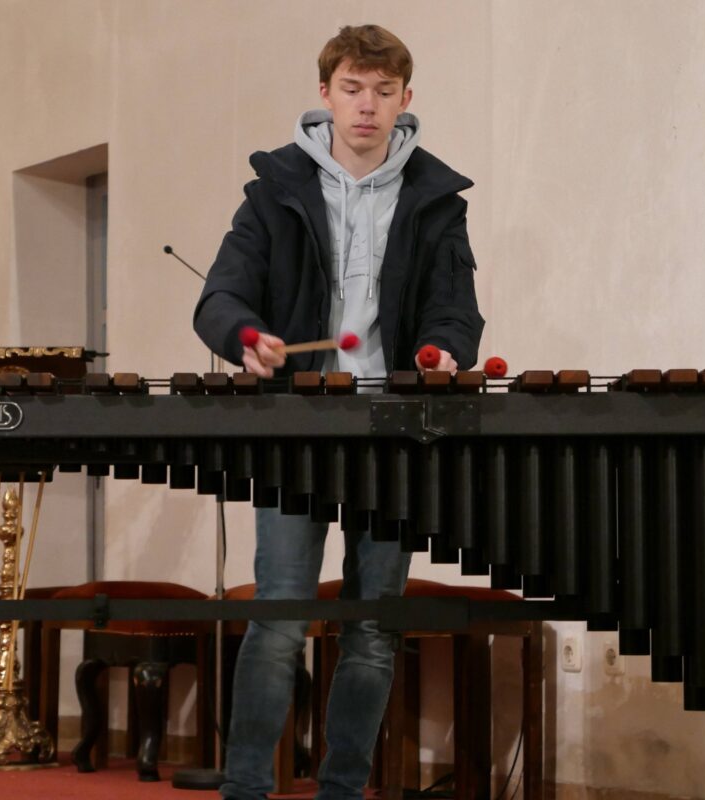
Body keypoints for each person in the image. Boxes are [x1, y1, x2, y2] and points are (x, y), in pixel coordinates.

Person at [193, 24, 484, 800]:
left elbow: (455, 310)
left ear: (405, 99)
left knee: (373, 628)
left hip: (390, 432)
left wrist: (444, 351)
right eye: (352, 89)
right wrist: (245, 336)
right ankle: (246, 787)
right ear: (325, 94)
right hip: (297, 428)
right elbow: (220, 296)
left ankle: (343, 790)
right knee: (281, 617)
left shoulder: (435, 200)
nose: (367, 106)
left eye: (384, 92)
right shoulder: (275, 190)